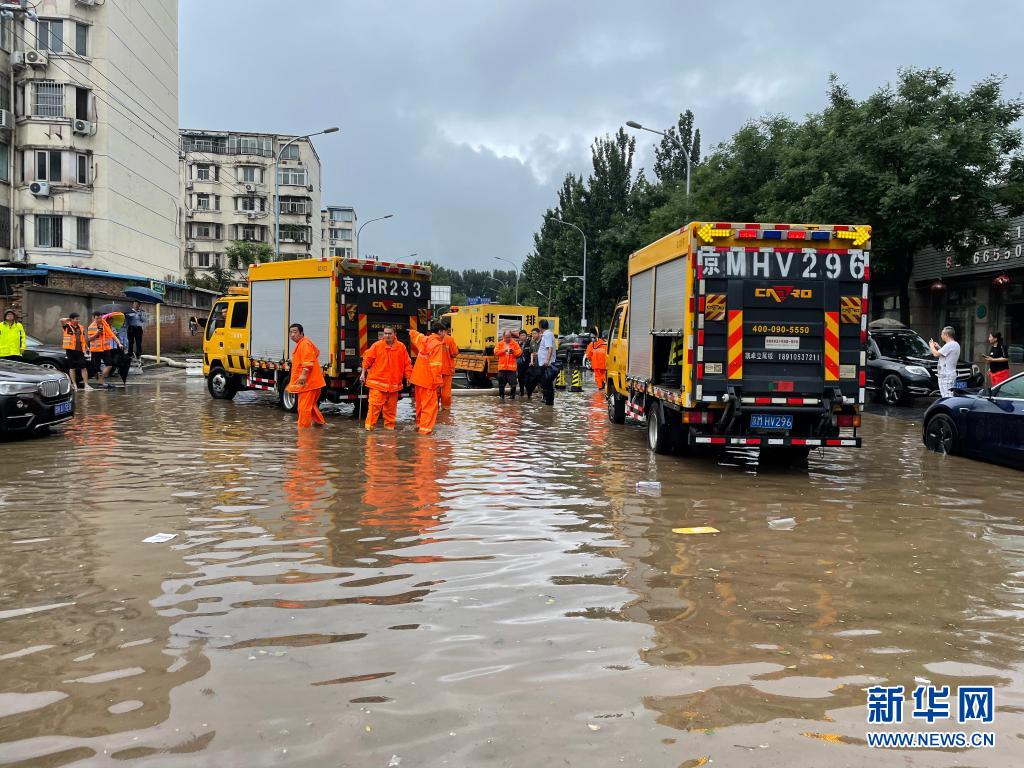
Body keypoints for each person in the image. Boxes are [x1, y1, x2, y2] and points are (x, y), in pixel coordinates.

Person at [360, 326, 411, 431]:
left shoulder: (401, 347)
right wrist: (363, 373)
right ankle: (369, 431)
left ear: (394, 334)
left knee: (391, 410)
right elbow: (367, 360)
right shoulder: (377, 346)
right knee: (374, 407)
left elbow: (407, 363)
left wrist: (408, 377)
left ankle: (389, 433)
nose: (387, 336)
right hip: (377, 384)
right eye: (385, 333)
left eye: (389, 333)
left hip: (394, 385)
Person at [287, 323, 326, 428]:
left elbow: (308, 361)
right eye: (290, 332)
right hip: (312, 383)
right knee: (310, 406)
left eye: (295, 332)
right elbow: (315, 353)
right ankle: (320, 425)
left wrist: (304, 374)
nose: (292, 334)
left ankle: (303, 433)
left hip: (308, 384)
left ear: (301, 333)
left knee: (303, 408)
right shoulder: (304, 343)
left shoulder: (304, 344)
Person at [409, 322, 444, 434]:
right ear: (440, 331)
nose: (445, 335)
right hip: (428, 381)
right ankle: (425, 433)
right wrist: (438, 382)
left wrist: (410, 331)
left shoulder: (424, 339)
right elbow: (436, 365)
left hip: (418, 380)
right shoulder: (437, 344)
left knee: (420, 405)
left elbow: (416, 336)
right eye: (444, 332)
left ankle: (419, 425)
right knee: (429, 407)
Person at [88, 310, 123, 388]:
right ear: (93, 318)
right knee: (96, 369)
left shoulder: (104, 324)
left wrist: (119, 343)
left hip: (105, 349)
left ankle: (101, 382)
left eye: (100, 318)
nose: (99, 320)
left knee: (109, 365)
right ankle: (100, 382)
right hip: (95, 350)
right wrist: (97, 333)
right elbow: (89, 339)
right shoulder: (91, 327)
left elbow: (112, 335)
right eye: (97, 318)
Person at [60, 312, 92, 390]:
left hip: (80, 350)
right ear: (72, 319)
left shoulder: (80, 327)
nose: (78, 320)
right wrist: (69, 319)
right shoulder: (67, 326)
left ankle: (86, 384)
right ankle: (74, 384)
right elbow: (61, 320)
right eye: (76, 319)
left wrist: (87, 347)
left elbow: (83, 338)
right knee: (72, 367)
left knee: (83, 367)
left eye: (78, 319)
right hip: (70, 350)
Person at [928, 326, 961, 398]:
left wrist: (931, 346)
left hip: (946, 375)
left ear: (946, 335)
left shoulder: (949, 345)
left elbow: (936, 354)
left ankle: (948, 409)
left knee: (946, 396)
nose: (941, 336)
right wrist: (939, 347)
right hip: (950, 373)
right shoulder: (955, 344)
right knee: (949, 394)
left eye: (942, 334)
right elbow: (945, 355)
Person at [494, 330, 523, 400]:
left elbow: (519, 352)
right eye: (506, 337)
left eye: (509, 337)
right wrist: (504, 350)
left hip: (511, 369)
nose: (508, 339)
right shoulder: (500, 343)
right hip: (502, 368)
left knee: (513, 384)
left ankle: (512, 398)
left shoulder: (515, 343)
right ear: (503, 336)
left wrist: (513, 352)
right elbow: (495, 352)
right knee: (501, 385)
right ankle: (501, 397)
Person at [438, 322, 459, 411]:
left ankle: (434, 408)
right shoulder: (449, 339)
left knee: (435, 391)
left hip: (435, 370)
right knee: (446, 392)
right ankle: (446, 410)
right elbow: (454, 353)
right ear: (446, 330)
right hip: (447, 370)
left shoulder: (430, 339)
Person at [537, 319, 556, 406]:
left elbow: (550, 348)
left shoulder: (547, 334)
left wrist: (547, 361)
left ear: (540, 327)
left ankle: (549, 402)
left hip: (546, 364)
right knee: (546, 383)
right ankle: (548, 401)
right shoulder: (546, 334)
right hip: (545, 363)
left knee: (547, 383)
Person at [516, 329, 531, 398]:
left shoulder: (530, 342)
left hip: (527, 364)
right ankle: (521, 392)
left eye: (524, 335)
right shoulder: (517, 344)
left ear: (526, 336)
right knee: (520, 378)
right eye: (521, 335)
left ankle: (529, 393)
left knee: (527, 379)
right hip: (519, 364)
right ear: (519, 336)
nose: (522, 337)